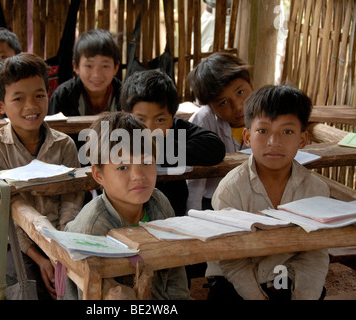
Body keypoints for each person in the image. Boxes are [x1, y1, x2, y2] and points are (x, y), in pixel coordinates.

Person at [207, 85, 330, 300]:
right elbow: (230, 259)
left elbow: (315, 254)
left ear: (302, 139)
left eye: (287, 131)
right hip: (236, 277)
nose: (274, 142)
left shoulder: (316, 191)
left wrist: (304, 296)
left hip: (286, 273)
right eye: (263, 131)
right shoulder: (231, 189)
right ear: (247, 137)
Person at [0, 52, 84, 300]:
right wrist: (40, 256)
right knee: (29, 289)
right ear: (0, 106)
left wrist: (58, 250)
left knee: (78, 283)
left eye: (39, 95)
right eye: (18, 98)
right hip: (14, 242)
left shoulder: (64, 145)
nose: (31, 106)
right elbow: (2, 215)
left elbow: (72, 200)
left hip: (60, 236)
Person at [64, 112, 192, 300]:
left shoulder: (160, 205)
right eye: (122, 167)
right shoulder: (93, 228)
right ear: (99, 176)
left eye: (146, 162)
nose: (138, 175)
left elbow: (174, 273)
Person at [120, 69, 226, 217]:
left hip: (171, 214)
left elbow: (215, 148)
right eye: (140, 120)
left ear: (171, 118)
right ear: (125, 116)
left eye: (160, 120)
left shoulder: (176, 128)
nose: (149, 130)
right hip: (126, 215)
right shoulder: (117, 135)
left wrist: (159, 148)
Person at [185, 52, 254, 211]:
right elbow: (195, 180)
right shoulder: (204, 120)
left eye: (240, 92)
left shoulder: (264, 114)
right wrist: (193, 215)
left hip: (247, 202)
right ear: (209, 105)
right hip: (210, 204)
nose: (237, 106)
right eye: (223, 102)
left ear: (250, 83)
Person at [48, 29, 122, 117]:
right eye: (88, 66)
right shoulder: (63, 96)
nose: (96, 75)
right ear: (76, 66)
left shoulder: (125, 97)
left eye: (105, 66)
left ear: (115, 67)